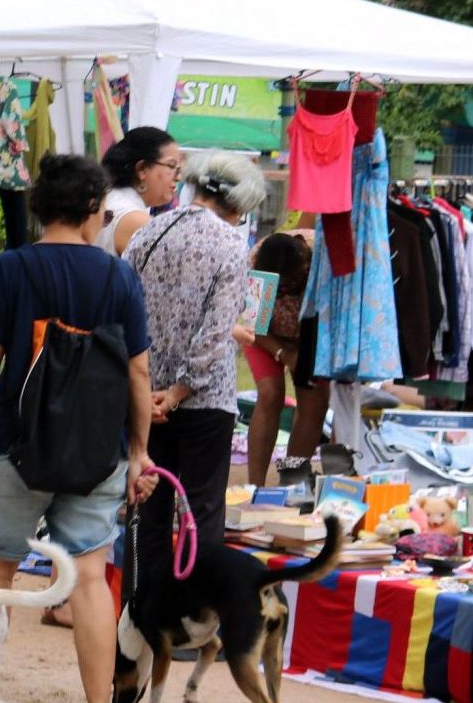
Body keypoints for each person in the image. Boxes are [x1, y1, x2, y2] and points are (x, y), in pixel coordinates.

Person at [0, 154, 157, 703]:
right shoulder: (118, 276)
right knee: (88, 582)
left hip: (13, 449)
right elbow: (137, 372)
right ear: (88, 210)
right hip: (97, 454)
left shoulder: (12, 269)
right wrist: (138, 453)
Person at [121, 151, 267, 577]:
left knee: (147, 506)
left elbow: (124, 311)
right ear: (239, 205)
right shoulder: (230, 246)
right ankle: (194, 618)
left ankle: (143, 612)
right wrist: (181, 390)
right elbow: (215, 332)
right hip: (204, 400)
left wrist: (151, 392)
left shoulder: (148, 233)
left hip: (145, 391)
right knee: (202, 513)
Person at [242, 230, 331, 488]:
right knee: (270, 394)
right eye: (285, 287)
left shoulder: (321, 260)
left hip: (310, 337)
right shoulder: (259, 267)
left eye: (296, 283)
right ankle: (255, 486)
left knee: (314, 403)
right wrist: (283, 353)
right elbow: (254, 327)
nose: (291, 290)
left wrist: (303, 355)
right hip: (264, 334)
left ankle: (291, 484)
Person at [93, 127, 181, 255]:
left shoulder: (108, 197)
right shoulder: (135, 220)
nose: (178, 177)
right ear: (142, 169)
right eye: (172, 166)